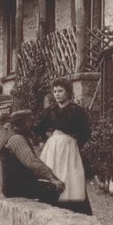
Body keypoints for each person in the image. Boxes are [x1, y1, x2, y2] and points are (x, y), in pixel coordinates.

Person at [34, 77, 93, 214]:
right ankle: (52, 203)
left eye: (60, 91)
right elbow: (38, 128)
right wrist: (47, 138)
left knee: (70, 174)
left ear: (68, 92)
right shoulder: (50, 111)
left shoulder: (76, 111)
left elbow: (86, 132)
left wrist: (75, 143)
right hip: (53, 148)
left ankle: (71, 204)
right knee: (53, 171)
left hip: (69, 148)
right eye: (55, 91)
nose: (57, 94)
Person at [0, 110, 65, 204]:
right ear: (23, 123)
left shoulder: (16, 135)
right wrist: (53, 180)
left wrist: (53, 177)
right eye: (31, 122)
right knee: (52, 190)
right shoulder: (17, 139)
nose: (33, 125)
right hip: (15, 187)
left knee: (49, 187)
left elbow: (36, 162)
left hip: (18, 184)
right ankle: (45, 216)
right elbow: (32, 163)